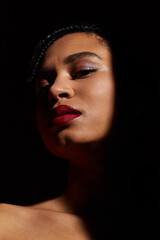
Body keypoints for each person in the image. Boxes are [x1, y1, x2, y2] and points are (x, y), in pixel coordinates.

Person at [0, 21, 156, 239]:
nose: (55, 90)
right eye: (43, 87)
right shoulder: (6, 225)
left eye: (84, 71)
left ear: (139, 96)